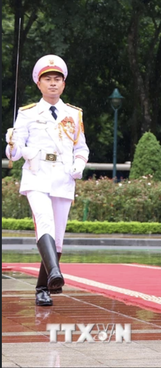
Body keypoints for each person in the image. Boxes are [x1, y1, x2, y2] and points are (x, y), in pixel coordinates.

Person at [5, 54, 89, 306]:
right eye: (47, 79)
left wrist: (79, 164)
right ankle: (55, 273)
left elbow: (81, 147)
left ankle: (44, 287)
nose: (53, 83)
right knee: (44, 223)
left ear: (63, 84)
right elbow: (14, 153)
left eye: (57, 79)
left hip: (63, 177)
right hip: (37, 174)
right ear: (38, 84)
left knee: (59, 236)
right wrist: (11, 143)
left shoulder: (73, 114)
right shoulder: (27, 113)